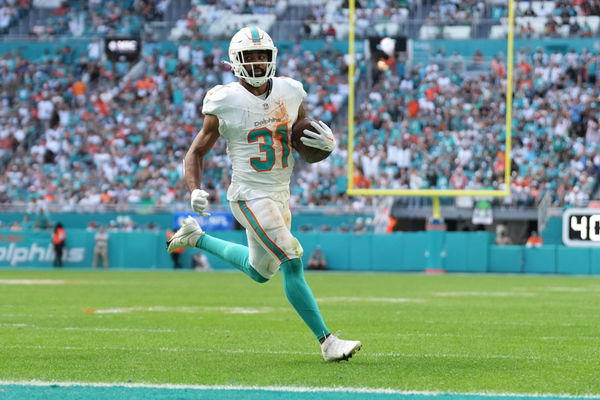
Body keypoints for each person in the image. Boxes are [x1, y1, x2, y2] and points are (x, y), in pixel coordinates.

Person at [167, 26, 361, 362]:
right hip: (248, 194)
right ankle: (327, 342)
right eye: (250, 57)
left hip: (279, 193)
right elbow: (196, 152)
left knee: (260, 271)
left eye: (262, 56)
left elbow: (301, 138)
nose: (257, 63)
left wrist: (323, 144)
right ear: (235, 61)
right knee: (292, 258)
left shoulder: (291, 91)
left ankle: (196, 238)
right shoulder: (225, 100)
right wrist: (194, 188)